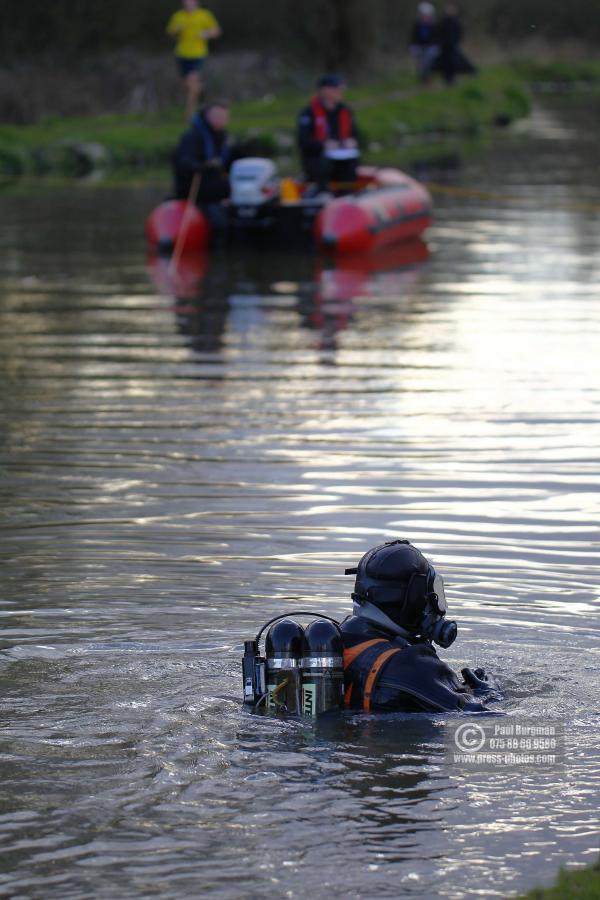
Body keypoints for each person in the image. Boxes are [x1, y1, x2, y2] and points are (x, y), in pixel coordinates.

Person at [342, 539, 497, 712]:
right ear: (413, 600)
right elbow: (476, 712)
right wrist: (491, 692)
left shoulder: (336, 640)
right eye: (429, 594)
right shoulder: (413, 665)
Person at [297, 74, 361, 193]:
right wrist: (323, 145)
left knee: (351, 163)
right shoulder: (308, 113)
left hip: (343, 159)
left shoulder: (345, 111)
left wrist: (352, 141)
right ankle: (322, 193)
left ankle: (349, 194)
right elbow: (303, 141)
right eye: (336, 89)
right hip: (319, 160)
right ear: (324, 90)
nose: (340, 92)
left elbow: (356, 135)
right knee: (322, 162)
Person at [173, 101, 232, 228]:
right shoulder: (192, 137)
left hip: (220, 189)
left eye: (224, 117)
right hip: (196, 190)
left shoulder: (223, 137)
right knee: (217, 219)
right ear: (207, 116)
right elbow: (184, 163)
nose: (221, 120)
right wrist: (203, 166)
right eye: (217, 116)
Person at [166, 0, 222, 121]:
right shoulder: (178, 16)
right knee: (188, 86)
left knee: (192, 84)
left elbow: (216, 31)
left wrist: (206, 34)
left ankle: (189, 115)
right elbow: (170, 33)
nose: (188, 4)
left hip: (198, 54)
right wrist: (176, 30)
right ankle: (201, 93)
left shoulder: (204, 15)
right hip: (181, 54)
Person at [434, 3, 476, 85]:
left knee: (455, 62)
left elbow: (460, 33)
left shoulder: (456, 21)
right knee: (445, 63)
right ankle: (447, 80)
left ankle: (454, 79)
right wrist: (439, 43)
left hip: (453, 46)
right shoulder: (442, 21)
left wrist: (457, 42)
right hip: (444, 47)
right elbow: (438, 33)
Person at [409, 2, 439, 85]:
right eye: (423, 15)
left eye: (427, 15)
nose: (425, 17)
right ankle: (422, 80)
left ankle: (427, 80)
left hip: (430, 47)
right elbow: (413, 36)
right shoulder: (417, 25)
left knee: (427, 63)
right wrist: (413, 46)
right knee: (420, 65)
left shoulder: (433, 25)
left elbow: (436, 37)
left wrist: (435, 46)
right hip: (419, 46)